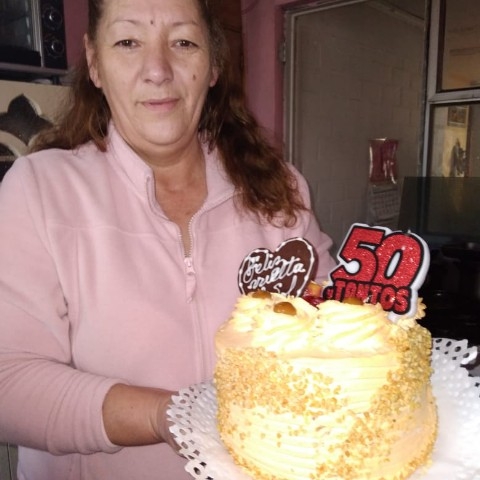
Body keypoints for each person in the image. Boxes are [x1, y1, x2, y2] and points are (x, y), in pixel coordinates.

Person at [0, 0, 335, 478]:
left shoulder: (281, 189)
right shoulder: (38, 190)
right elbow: (9, 382)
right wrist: (168, 416)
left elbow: (333, 329)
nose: (157, 70)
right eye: (128, 42)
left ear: (213, 64)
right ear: (95, 63)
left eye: (183, 42)